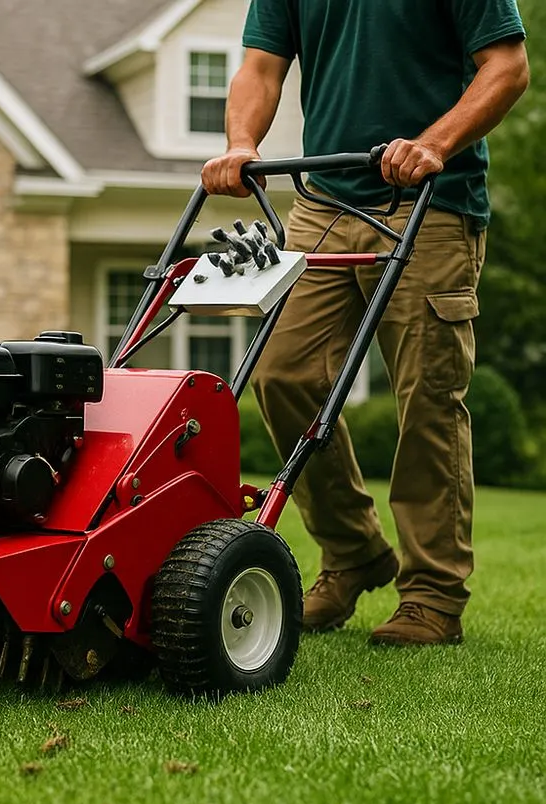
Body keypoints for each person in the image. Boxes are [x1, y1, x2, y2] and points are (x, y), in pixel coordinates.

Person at [201, 0, 529, 646]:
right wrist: (241, 143)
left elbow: (507, 67)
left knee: (428, 398)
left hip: (430, 202)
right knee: (283, 375)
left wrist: (434, 143)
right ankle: (353, 551)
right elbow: (261, 67)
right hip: (323, 197)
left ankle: (432, 594)